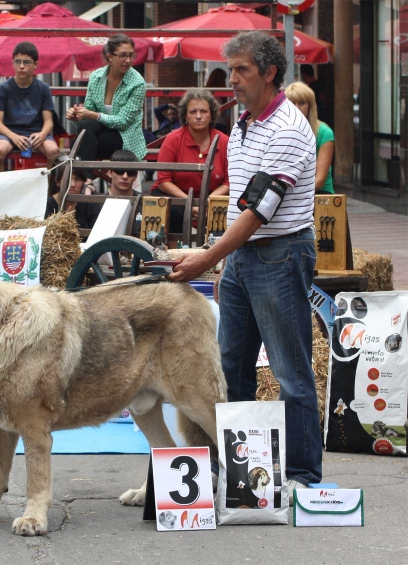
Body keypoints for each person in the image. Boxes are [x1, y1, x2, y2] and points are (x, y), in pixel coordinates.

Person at [169, 31, 321, 498]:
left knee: (290, 369)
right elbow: (243, 208)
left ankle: (301, 476)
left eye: (241, 70)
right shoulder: (243, 122)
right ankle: (235, 472)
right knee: (230, 365)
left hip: (279, 252)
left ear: (270, 73)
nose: (230, 79)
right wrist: (220, 254)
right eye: (230, 69)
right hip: (242, 257)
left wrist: (209, 258)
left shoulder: (288, 129)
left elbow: (259, 210)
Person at [150, 89, 229, 233]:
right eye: (193, 112)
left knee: (224, 208)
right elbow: (163, 180)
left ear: (212, 115)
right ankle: (173, 253)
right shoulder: (173, 139)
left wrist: (208, 201)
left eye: (204, 111)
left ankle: (219, 253)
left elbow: (228, 182)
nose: (198, 116)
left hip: (212, 197)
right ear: (185, 116)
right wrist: (190, 202)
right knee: (173, 209)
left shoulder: (224, 141)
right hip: (176, 196)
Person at [66, 34, 147, 167]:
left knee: (78, 142)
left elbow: (123, 122)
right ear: (110, 56)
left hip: (125, 136)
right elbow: (89, 112)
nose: (128, 60)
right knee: (85, 125)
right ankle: (88, 180)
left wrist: (92, 115)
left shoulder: (137, 83)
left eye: (131, 55)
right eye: (123, 55)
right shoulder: (96, 76)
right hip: (99, 131)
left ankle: (86, 180)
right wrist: (77, 116)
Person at [0, 42, 60, 173]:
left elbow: (49, 121)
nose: (21, 66)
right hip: (9, 133)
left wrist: (42, 134)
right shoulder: (3, 89)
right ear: (12, 63)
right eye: (18, 62)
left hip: (36, 132)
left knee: (54, 151)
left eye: (27, 62)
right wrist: (14, 136)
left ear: (36, 65)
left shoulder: (43, 88)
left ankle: (50, 191)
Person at [285, 82, 335, 194]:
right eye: (292, 103)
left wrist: (294, 196)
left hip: (319, 194)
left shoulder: (324, 132)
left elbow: (320, 180)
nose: (297, 108)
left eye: (302, 103)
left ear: (310, 106)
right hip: (288, 194)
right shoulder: (280, 131)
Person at [45, 164, 97, 231]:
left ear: (83, 182)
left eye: (77, 179)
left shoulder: (90, 204)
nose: (72, 184)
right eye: (67, 179)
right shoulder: (46, 205)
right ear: (57, 182)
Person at [206, 68, 231, 135]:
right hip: (218, 124)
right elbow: (219, 111)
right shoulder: (216, 95)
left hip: (217, 123)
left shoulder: (208, 92)